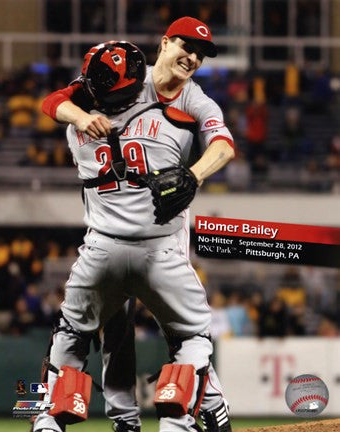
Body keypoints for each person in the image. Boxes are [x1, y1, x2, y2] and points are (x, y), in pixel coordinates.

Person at [40, 17, 235, 432]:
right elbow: (59, 99)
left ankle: (46, 416)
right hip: (153, 241)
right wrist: (77, 115)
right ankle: (167, 417)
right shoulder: (123, 74)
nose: (194, 57)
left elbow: (223, 142)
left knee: (77, 335)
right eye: (187, 46)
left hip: (112, 243)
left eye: (202, 54)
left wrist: (193, 175)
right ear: (164, 43)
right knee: (179, 333)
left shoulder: (184, 96)